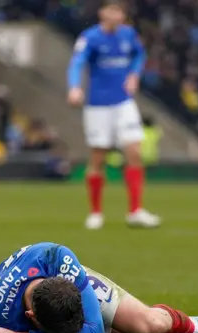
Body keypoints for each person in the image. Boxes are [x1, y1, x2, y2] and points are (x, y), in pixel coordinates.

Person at [0, 243, 198, 333]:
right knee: (119, 332)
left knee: (148, 325)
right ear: (29, 316)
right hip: (26, 292)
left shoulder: (60, 259)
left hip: (50, 272)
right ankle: (118, 326)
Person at [67, 0, 160, 230]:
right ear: (102, 13)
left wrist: (134, 75)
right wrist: (75, 86)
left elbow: (139, 55)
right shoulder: (90, 38)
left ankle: (135, 211)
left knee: (134, 151)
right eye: (112, 10)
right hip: (98, 105)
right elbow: (77, 63)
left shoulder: (128, 35)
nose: (116, 15)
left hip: (123, 103)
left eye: (120, 11)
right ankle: (96, 212)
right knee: (98, 157)